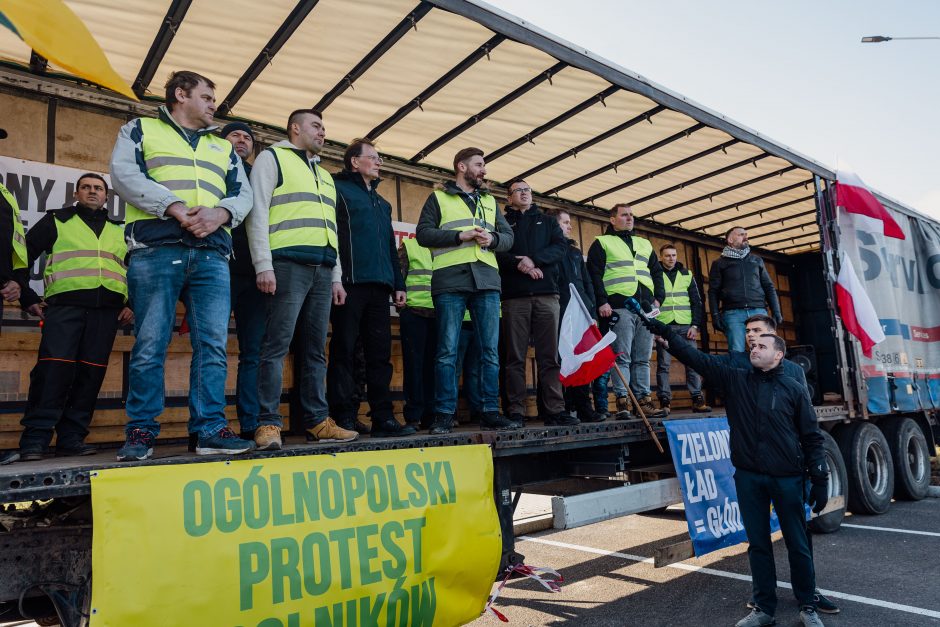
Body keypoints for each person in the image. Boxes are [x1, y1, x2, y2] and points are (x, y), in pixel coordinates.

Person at [640, 311, 830, 627]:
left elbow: (812, 437)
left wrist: (819, 477)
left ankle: (807, 606)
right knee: (758, 544)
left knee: (798, 543)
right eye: (751, 345)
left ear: (778, 354)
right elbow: (696, 358)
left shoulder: (795, 387)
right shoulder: (736, 379)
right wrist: (668, 335)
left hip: (788, 478)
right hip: (750, 478)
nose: (753, 347)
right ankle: (764, 610)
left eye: (761, 345)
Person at [109, 70, 254, 460]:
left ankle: (209, 430)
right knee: (150, 344)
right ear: (180, 95)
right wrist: (172, 208)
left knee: (213, 345)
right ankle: (140, 432)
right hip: (156, 249)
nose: (213, 105)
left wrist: (220, 214)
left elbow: (244, 195)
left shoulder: (222, 149)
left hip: (212, 254)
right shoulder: (139, 130)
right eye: (207, 97)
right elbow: (123, 174)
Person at [0, 174, 131, 464]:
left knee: (90, 376)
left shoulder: (120, 230)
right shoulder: (56, 220)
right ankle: (35, 440)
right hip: (64, 310)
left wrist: (131, 303)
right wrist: (28, 297)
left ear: (107, 197)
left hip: (106, 315)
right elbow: (22, 254)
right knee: (52, 374)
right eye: (86, 187)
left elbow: (137, 271)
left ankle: (71, 439)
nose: (92, 192)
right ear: (76, 193)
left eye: (98, 188)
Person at [247, 108, 356, 450]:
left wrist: (336, 276)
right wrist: (262, 264)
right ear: (295, 128)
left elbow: (331, 229)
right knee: (276, 346)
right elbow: (257, 212)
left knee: (315, 351)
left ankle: (317, 421)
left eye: (325, 127)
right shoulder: (272, 158)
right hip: (286, 266)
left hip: (323, 270)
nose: (323, 132)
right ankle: (268, 424)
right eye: (316, 126)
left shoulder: (325, 175)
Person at [415, 147, 515, 435]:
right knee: (446, 352)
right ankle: (444, 414)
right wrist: (461, 235)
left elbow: (509, 238)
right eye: (479, 165)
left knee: (490, 352)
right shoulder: (438, 197)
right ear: (461, 166)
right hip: (450, 281)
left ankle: (490, 411)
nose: (484, 170)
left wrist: (492, 239)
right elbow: (423, 234)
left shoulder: (490, 201)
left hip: (486, 283)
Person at [327, 138, 413, 438]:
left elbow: (391, 246)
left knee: (380, 356)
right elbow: (331, 235)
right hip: (349, 284)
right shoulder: (337, 190)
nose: (379, 162)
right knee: (345, 351)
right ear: (354, 161)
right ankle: (344, 417)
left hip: (380, 287)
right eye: (373, 157)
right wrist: (335, 278)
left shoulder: (382, 202)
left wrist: (398, 283)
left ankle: (383, 417)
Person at [496, 179, 573, 426]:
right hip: (514, 297)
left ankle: (554, 410)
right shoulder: (502, 223)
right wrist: (519, 264)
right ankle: (515, 411)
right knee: (514, 357)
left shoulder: (548, 222)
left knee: (549, 356)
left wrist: (533, 259)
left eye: (528, 189)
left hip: (547, 296)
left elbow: (560, 248)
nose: (525, 193)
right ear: (509, 197)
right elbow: (496, 252)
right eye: (519, 190)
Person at [586, 203, 665, 419]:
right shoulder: (602, 242)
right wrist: (602, 301)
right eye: (624, 215)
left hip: (646, 309)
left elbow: (656, 272)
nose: (629, 218)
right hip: (619, 306)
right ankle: (623, 403)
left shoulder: (644, 243)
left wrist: (659, 298)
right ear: (612, 219)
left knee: (643, 358)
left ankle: (644, 402)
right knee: (622, 356)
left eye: (631, 215)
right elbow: (594, 274)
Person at [221, 121, 263, 444]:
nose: (242, 140)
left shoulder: (261, 175)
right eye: (235, 134)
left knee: (254, 353)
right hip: (219, 269)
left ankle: (250, 422)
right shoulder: (211, 168)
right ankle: (206, 426)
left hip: (257, 274)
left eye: (247, 137)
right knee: (212, 350)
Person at [550, 209, 604, 422]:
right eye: (565, 222)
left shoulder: (574, 252)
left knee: (582, 360)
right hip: (559, 310)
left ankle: (584, 407)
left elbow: (587, 281)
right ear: (554, 225)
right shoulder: (550, 251)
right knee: (560, 359)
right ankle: (563, 406)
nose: (570, 226)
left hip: (581, 312)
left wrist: (591, 310)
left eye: (570, 222)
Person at [655, 243, 710, 415]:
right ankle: (665, 401)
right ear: (661, 257)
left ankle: (697, 399)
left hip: (686, 326)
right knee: (663, 365)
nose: (671, 258)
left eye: (673, 255)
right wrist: (656, 329)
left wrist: (695, 325)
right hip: (665, 327)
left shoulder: (687, 274)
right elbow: (651, 302)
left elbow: (697, 302)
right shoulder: (655, 274)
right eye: (667, 255)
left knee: (692, 363)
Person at [708, 226, 783, 352]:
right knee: (737, 351)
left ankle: (763, 372)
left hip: (758, 311)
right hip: (733, 314)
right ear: (730, 239)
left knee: (763, 349)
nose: (746, 237)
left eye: (746, 234)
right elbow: (713, 292)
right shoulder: (719, 263)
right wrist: (715, 316)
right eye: (741, 234)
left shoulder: (756, 260)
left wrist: (776, 311)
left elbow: (768, 286)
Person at [398, 236, 436, 430]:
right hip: (414, 312)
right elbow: (400, 277)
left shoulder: (446, 249)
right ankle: (413, 416)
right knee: (414, 366)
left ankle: (431, 416)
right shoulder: (410, 246)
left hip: (439, 314)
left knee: (434, 368)